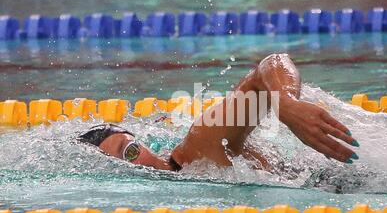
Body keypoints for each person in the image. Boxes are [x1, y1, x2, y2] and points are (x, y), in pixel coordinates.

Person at [77, 53, 359, 172]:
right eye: (124, 164)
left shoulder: (197, 149)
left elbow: (272, 63)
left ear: (142, 143)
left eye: (130, 150)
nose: (135, 165)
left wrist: (284, 102)